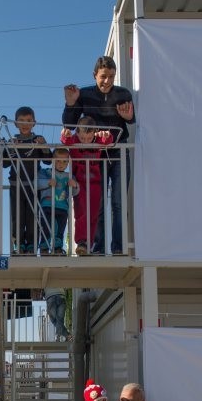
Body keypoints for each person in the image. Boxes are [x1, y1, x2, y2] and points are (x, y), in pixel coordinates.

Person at [63, 56, 135, 255]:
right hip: (96, 155)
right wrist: (70, 104)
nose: (108, 81)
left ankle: (119, 247)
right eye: (103, 77)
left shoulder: (122, 93)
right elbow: (69, 124)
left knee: (119, 201)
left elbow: (131, 119)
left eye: (112, 76)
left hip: (118, 152)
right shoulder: (84, 95)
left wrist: (129, 117)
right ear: (95, 75)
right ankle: (98, 246)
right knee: (98, 202)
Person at [60, 117, 113, 255]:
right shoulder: (75, 141)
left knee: (94, 213)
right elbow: (66, 140)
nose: (85, 141)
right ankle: (82, 241)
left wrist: (106, 135)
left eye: (88, 138)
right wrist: (65, 134)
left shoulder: (97, 141)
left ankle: (91, 243)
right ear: (77, 132)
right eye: (82, 137)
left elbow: (108, 141)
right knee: (81, 211)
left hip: (95, 182)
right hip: (79, 183)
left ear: (94, 133)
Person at [5, 106, 51, 254]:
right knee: (17, 217)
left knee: (32, 218)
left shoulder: (37, 140)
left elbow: (48, 161)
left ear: (34, 123)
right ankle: (18, 244)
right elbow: (5, 163)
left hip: (33, 186)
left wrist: (44, 146)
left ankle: (31, 245)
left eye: (29, 121)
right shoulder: (12, 140)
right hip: (16, 185)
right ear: (15, 124)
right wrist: (11, 148)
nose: (25, 124)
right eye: (22, 121)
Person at [36, 147, 78, 255]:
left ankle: (57, 248)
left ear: (68, 163)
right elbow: (36, 183)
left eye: (64, 161)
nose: (61, 164)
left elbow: (75, 192)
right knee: (46, 227)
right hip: (47, 205)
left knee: (60, 228)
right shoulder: (46, 172)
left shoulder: (69, 176)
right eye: (58, 161)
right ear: (52, 161)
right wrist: (48, 183)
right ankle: (44, 247)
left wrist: (75, 185)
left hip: (62, 207)